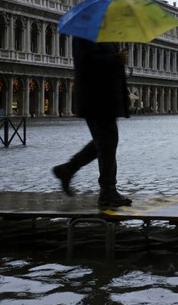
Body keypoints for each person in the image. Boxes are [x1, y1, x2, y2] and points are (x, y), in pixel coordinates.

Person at [52, 37, 133, 208]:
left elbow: (109, 68)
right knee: (108, 142)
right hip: (96, 98)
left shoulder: (105, 35)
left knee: (104, 142)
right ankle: (108, 191)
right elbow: (86, 63)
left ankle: (68, 170)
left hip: (106, 98)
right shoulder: (86, 34)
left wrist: (123, 92)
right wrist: (115, 59)